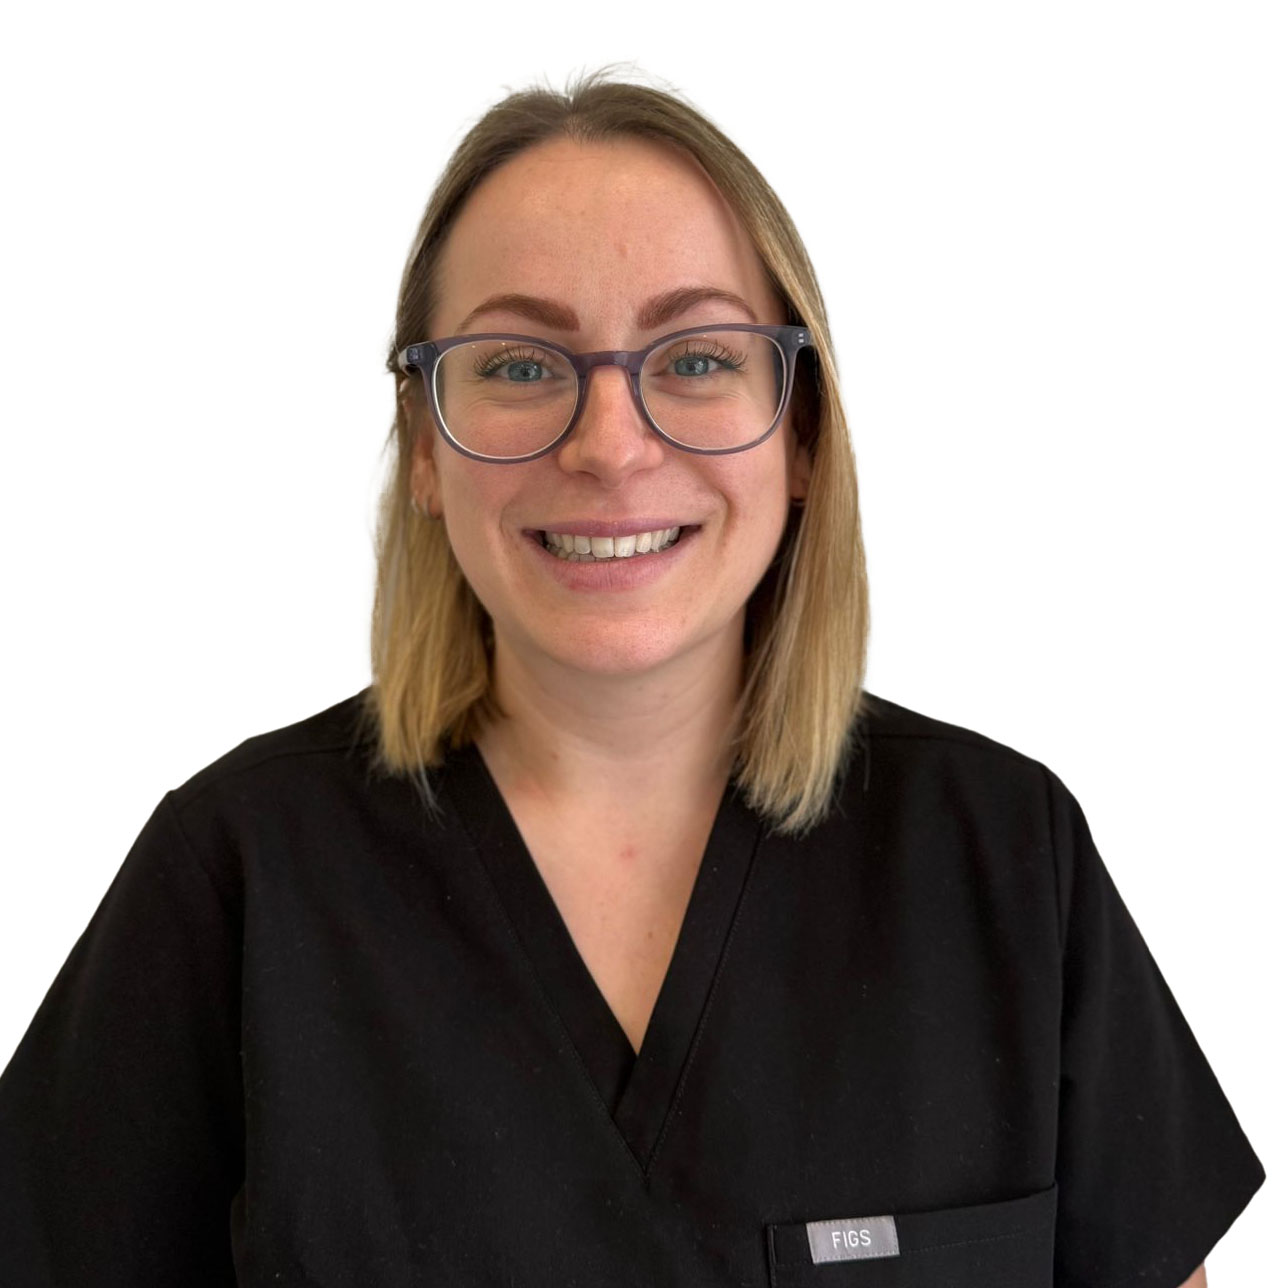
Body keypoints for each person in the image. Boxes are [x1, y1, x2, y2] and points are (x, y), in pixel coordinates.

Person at [0, 72, 1263, 1287]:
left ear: (802, 431)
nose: (610, 446)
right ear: (424, 446)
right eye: (518, 364)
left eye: (697, 357)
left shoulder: (1004, 859)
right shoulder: (239, 876)